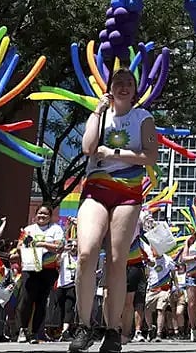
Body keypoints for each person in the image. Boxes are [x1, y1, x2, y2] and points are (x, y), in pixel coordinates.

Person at [69, 68, 158, 352]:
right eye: (118, 82)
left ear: (135, 90)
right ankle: (84, 325)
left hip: (128, 193)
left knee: (117, 260)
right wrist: (98, 111)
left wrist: (115, 154)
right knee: (86, 252)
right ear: (109, 88)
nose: (123, 86)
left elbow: (151, 155)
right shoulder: (101, 115)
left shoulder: (142, 118)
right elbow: (87, 147)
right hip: (95, 189)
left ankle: (113, 329)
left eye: (129, 83)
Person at [17, 206, 65, 343]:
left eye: (45, 214)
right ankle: (23, 329)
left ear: (50, 216)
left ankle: (34, 333)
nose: (42, 216)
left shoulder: (56, 229)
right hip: (30, 268)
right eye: (40, 213)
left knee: (41, 301)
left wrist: (41, 243)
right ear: (36, 214)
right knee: (25, 300)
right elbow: (21, 245)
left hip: (48, 269)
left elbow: (59, 246)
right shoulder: (29, 230)